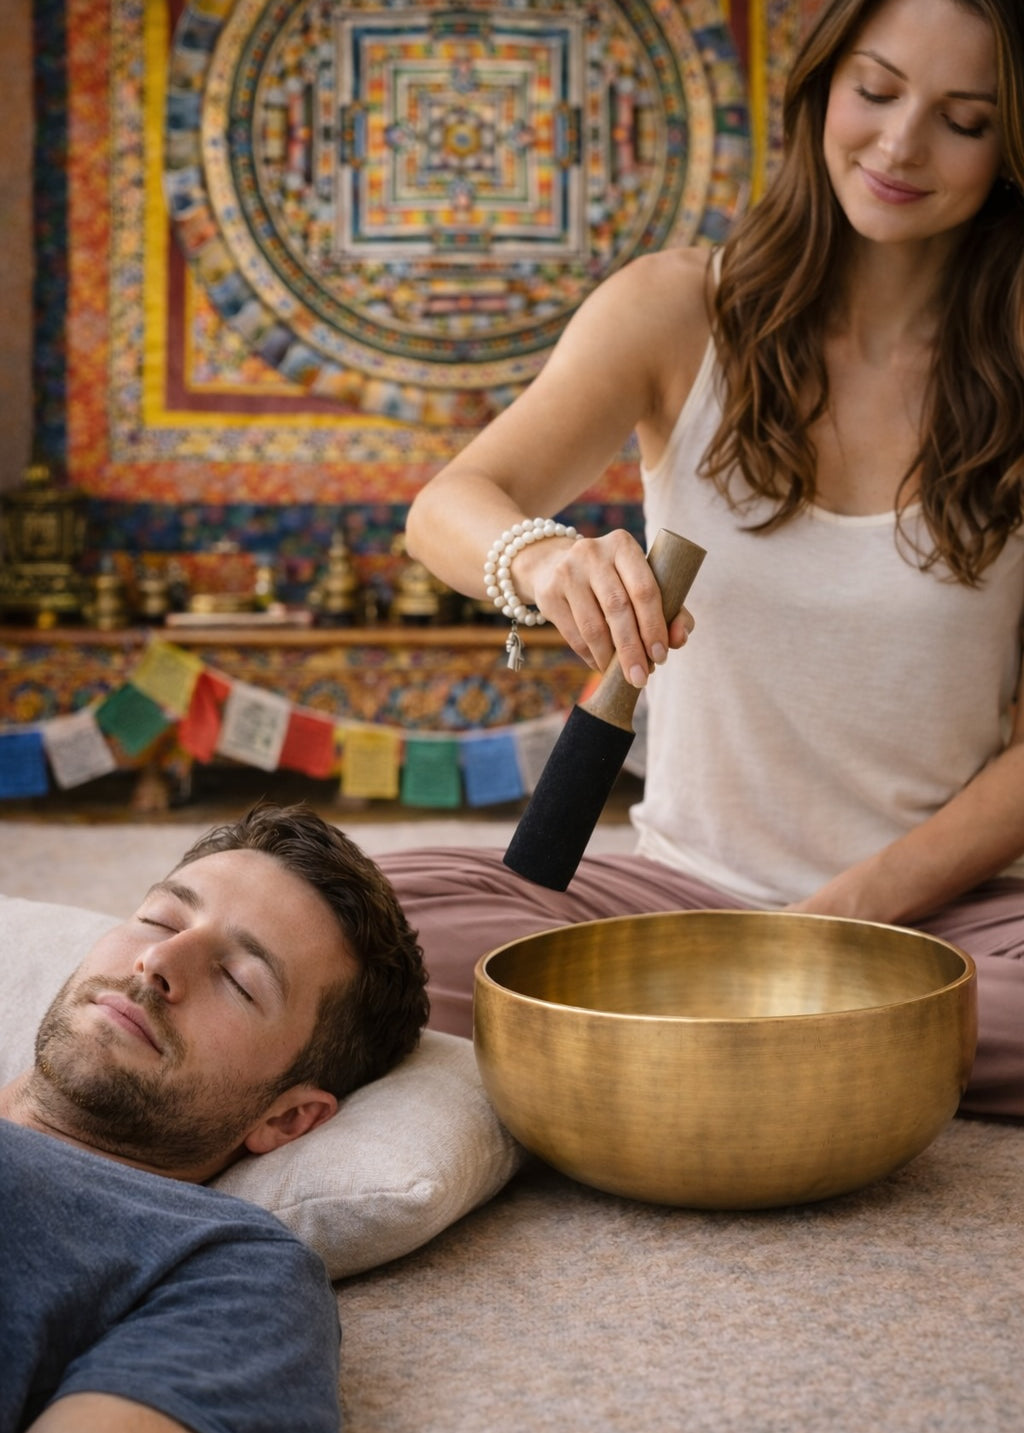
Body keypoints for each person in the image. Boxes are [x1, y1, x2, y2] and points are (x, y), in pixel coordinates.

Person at [376, 0, 1024, 1120]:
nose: (900, 145)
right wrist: (541, 558)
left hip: (945, 917)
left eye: (962, 119)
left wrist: (851, 913)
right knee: (345, 920)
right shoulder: (673, 310)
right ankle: (830, 1050)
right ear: (819, 88)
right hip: (666, 902)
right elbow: (448, 505)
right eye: (874, 92)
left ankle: (678, 1046)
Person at [1, 802, 428, 1433]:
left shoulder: (230, 1269)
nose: (159, 963)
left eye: (238, 979)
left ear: (287, 1119)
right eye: (159, 919)